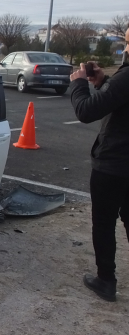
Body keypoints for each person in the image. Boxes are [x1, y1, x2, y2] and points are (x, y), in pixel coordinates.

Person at [69, 27, 129, 302]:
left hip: (113, 165)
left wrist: (79, 84)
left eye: (126, 41)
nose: (124, 47)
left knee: (103, 224)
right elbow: (117, 99)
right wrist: (103, 81)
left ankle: (106, 280)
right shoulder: (122, 79)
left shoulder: (127, 77)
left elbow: (86, 112)